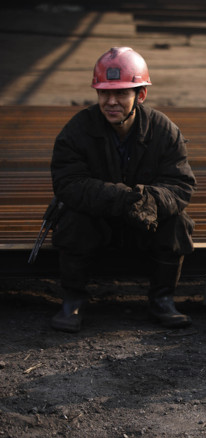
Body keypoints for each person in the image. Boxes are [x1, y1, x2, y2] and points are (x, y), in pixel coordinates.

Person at [49, 47, 196, 332]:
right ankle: (73, 299)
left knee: (178, 223)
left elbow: (181, 185)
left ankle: (162, 299)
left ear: (140, 95)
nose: (111, 101)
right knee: (72, 220)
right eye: (104, 93)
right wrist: (122, 198)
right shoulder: (77, 130)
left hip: (145, 224)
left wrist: (148, 201)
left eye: (121, 94)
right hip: (97, 222)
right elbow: (67, 183)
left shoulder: (164, 131)